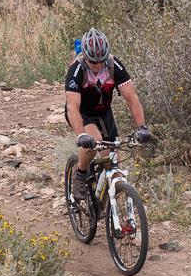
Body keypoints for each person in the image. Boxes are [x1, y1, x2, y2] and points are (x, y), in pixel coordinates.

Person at [65, 28, 152, 200]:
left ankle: (106, 205)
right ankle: (80, 175)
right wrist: (81, 134)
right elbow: (72, 107)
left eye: (101, 61)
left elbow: (131, 97)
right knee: (93, 141)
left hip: (104, 113)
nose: (97, 65)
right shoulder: (76, 70)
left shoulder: (114, 65)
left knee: (112, 161)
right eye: (92, 61)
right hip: (83, 113)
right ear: (85, 57)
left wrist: (141, 127)